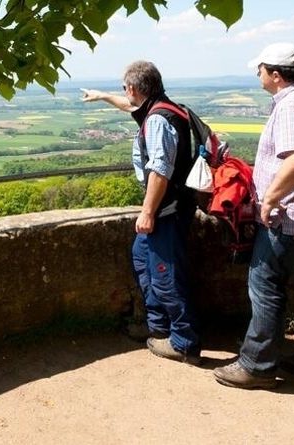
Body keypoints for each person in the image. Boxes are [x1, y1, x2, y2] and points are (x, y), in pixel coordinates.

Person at [213, 43, 294, 389]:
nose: (257, 75)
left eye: (260, 69)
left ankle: (257, 365)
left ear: (275, 74)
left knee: (265, 283)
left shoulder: (293, 107)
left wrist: (269, 198)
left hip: (293, 217)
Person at [82, 61, 201, 365]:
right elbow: (128, 106)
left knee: (166, 276)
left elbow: (160, 169)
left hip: (167, 210)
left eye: (125, 88)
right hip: (171, 206)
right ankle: (158, 327)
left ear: (134, 88)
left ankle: (184, 342)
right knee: (141, 258)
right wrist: (102, 96)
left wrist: (147, 212)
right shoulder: (163, 108)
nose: (125, 93)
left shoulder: (158, 119)